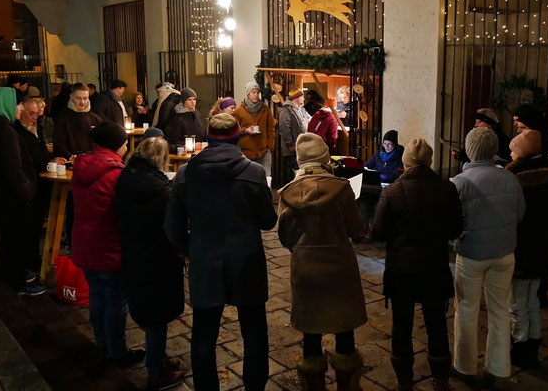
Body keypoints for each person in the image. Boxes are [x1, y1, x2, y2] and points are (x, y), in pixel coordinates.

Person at [165, 113, 277, 390]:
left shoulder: (185, 174)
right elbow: (268, 221)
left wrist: (190, 248)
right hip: (246, 259)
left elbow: (172, 225)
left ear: (208, 138)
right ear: (238, 136)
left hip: (206, 259)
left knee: (204, 332)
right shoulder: (254, 172)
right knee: (253, 332)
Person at [277, 133, 367, 390]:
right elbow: (356, 228)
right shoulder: (341, 188)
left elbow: (285, 236)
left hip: (306, 267)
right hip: (339, 265)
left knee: (311, 332)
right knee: (344, 328)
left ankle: (313, 385)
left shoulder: (288, 193)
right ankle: (347, 384)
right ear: (325, 157)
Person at [372, 138, 463, 391]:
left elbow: (379, 232)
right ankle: (440, 380)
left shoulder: (392, 192)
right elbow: (456, 227)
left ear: (406, 161)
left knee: (402, 324)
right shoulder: (447, 189)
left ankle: (404, 381)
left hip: (402, 270)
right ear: (429, 161)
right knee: (436, 322)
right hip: (434, 267)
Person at [451, 127, 525, 385]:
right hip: (504, 253)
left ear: (469, 150)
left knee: (466, 309)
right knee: (500, 310)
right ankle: (499, 369)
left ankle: (465, 367)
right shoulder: (510, 178)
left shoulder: (459, 183)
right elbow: (520, 214)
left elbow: (452, 222)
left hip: (471, 254)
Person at [71, 121, 145, 367]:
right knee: (115, 302)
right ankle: (117, 352)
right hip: (109, 248)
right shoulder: (115, 174)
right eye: (125, 143)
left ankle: (101, 343)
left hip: (85, 244)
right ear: (119, 146)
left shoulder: (82, 167)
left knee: (97, 297)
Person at [114, 137, 185, 389]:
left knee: (149, 311)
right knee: (157, 316)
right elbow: (172, 224)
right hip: (156, 258)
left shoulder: (126, 177)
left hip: (133, 253)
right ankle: (156, 372)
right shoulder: (160, 189)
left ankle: (160, 357)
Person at [503, 130, 548, 369]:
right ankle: (532, 346)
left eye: (514, 150)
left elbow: (514, 216)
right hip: (540, 248)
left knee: (517, 304)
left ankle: (520, 349)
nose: (511, 154)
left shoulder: (520, 179)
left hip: (522, 248)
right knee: (532, 301)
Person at [0, 87, 45, 296]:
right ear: (6, 104)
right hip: (14, 196)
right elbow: (13, 168)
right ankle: (19, 281)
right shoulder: (5, 131)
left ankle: (15, 274)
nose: (19, 109)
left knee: (11, 237)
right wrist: (27, 191)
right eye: (16, 104)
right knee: (16, 238)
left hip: (3, 194)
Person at [14, 98, 65, 278]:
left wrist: (51, 160)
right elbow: (28, 158)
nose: (34, 117)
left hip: (41, 183)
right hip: (30, 184)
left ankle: (36, 260)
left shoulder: (38, 129)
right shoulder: (17, 132)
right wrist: (48, 161)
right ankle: (29, 263)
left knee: (37, 224)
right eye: (30, 113)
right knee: (29, 226)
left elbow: (41, 152)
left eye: (36, 114)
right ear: (21, 112)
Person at [358, 130, 405, 243]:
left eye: (390, 144)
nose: (387, 146)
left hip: (390, 188)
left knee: (378, 205)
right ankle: (363, 227)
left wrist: (382, 176)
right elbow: (367, 166)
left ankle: (371, 229)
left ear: (395, 144)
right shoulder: (378, 154)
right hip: (376, 186)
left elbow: (397, 173)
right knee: (364, 202)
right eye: (385, 143)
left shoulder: (400, 155)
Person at [233, 82, 276, 177]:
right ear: (248, 94)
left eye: (257, 92)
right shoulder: (239, 112)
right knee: (250, 179)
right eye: (253, 92)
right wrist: (245, 130)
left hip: (264, 151)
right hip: (246, 152)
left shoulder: (265, 109)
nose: (256, 95)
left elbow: (271, 129)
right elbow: (234, 130)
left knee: (266, 178)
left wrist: (270, 147)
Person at [53, 83, 102, 160]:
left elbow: (101, 143)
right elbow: (59, 144)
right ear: (71, 97)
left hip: (92, 162)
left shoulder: (96, 119)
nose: (82, 102)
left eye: (85, 98)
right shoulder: (62, 119)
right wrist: (70, 156)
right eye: (78, 98)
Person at [278, 88, 310, 183]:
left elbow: (310, 119)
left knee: (300, 171)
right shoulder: (286, 111)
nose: (304, 99)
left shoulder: (302, 109)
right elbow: (284, 129)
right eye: (302, 97)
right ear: (296, 98)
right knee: (295, 172)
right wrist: (291, 144)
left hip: (301, 147)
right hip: (292, 148)